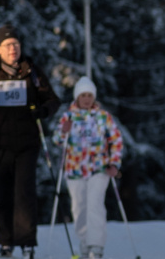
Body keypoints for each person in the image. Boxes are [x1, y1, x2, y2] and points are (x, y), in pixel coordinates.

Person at [0, 25, 61, 258]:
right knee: (3, 194)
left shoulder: (32, 71)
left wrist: (42, 111)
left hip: (28, 143)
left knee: (25, 194)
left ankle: (27, 243)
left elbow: (53, 100)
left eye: (16, 44)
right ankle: (5, 242)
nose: (13, 49)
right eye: (8, 45)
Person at [51, 76, 123, 259]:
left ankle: (96, 246)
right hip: (74, 170)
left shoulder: (103, 116)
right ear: (77, 97)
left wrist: (114, 163)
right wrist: (63, 131)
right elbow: (57, 140)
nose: (87, 99)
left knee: (95, 205)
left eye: (89, 95)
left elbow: (116, 140)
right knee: (79, 208)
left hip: (99, 169)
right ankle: (84, 243)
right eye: (83, 95)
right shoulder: (68, 116)